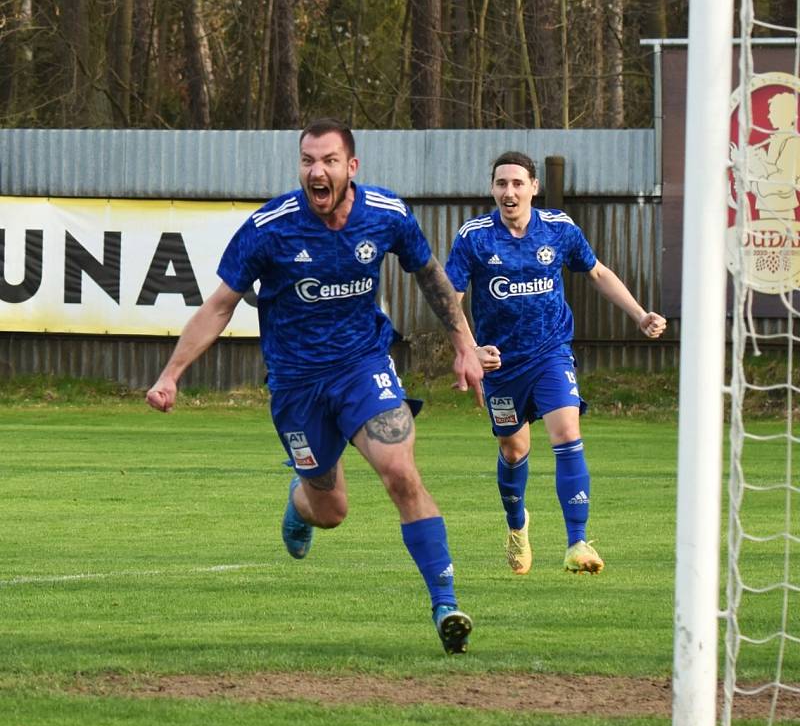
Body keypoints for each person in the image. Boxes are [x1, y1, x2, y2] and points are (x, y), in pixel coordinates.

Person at [146, 118, 483, 654]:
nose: (316, 171)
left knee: (399, 471)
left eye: (328, 160)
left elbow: (430, 275)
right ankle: (299, 502)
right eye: (307, 161)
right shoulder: (270, 228)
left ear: (352, 167)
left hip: (362, 364)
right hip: (296, 382)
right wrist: (170, 375)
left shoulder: (387, 215)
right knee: (331, 511)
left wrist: (464, 343)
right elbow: (219, 306)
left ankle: (445, 604)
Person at [444, 151, 666, 576]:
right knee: (514, 450)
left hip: (551, 354)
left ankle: (577, 541)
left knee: (567, 432)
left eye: (517, 183)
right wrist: (469, 349)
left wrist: (639, 315)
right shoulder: (474, 237)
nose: (509, 192)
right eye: (501, 184)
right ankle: (516, 525)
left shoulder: (559, 229)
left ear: (533, 188)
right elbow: (449, 299)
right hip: (501, 366)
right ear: (492, 189)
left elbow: (597, 273)